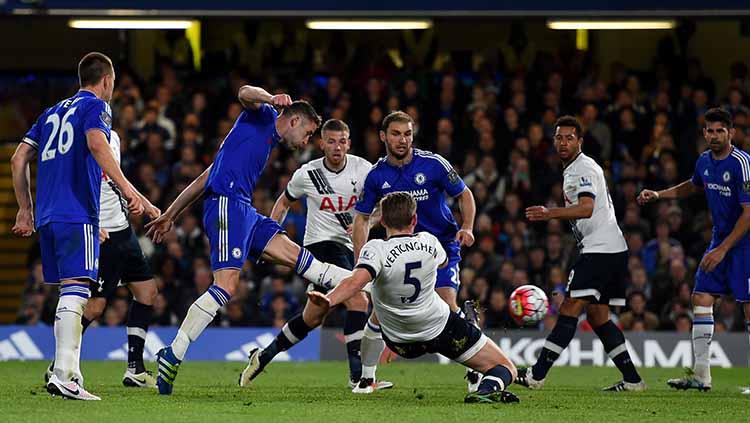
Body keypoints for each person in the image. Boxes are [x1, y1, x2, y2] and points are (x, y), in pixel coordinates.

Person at [145, 85, 353, 395]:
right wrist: (272, 98)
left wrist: (172, 213)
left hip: (243, 209)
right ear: (294, 120)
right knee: (227, 285)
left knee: (295, 255)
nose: (308, 141)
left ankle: (363, 281)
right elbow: (244, 92)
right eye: (308, 133)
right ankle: (173, 352)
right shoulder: (262, 115)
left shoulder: (263, 142)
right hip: (227, 204)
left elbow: (206, 176)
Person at [11, 52, 151, 400]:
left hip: (47, 215)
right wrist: (131, 191)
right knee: (77, 291)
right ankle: (66, 375)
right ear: (105, 80)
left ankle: (64, 371)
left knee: (70, 291)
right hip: (78, 213)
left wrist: (24, 210)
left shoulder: (50, 112)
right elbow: (96, 144)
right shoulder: (97, 108)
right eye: (113, 83)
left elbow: (18, 159)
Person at [311, 192, 519, 403]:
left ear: (382, 221)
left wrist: (328, 300)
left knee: (378, 310)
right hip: (440, 329)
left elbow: (354, 282)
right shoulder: (430, 242)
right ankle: (484, 389)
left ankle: (366, 379)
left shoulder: (375, 250)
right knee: (506, 368)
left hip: (398, 340)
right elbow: (444, 263)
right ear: (414, 220)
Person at [351, 111, 480, 392]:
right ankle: (367, 380)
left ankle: (475, 370)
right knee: (379, 311)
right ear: (383, 137)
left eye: (407, 134)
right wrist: (360, 261)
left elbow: (464, 194)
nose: (403, 140)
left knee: (448, 305)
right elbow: (361, 218)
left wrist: (467, 226)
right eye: (396, 134)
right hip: (398, 251)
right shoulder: (376, 176)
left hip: (440, 246)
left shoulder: (433, 165)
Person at [515, 115, 645, 392]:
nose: (563, 143)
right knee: (598, 317)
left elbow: (586, 207)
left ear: (580, 141)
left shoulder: (581, 169)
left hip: (601, 249)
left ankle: (536, 376)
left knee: (570, 307)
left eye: (569, 138)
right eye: (559, 138)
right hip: (612, 248)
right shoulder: (576, 168)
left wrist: (551, 214)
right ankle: (633, 380)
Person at [265, 118, 388, 388]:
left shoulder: (364, 170)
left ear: (349, 144)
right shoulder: (308, 174)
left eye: (342, 141)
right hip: (319, 246)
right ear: (321, 144)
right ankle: (359, 377)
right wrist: (272, 233)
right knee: (358, 300)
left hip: (347, 248)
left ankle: (263, 356)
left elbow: (382, 209)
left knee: (312, 317)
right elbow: (284, 201)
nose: (337, 147)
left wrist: (367, 221)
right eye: (331, 141)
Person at [638, 107, 750, 391]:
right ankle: (701, 375)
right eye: (710, 131)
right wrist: (659, 194)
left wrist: (723, 249)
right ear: (704, 133)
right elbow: (693, 185)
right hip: (720, 239)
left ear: (731, 133)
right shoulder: (704, 161)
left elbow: (749, 214)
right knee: (701, 297)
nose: (714, 136)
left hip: (744, 242)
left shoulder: (742, 163)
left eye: (720, 131)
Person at [43, 131, 159, 388]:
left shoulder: (113, 138)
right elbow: (73, 187)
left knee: (147, 292)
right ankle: (60, 362)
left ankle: (135, 369)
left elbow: (118, 178)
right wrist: (91, 225)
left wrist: (145, 203)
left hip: (123, 230)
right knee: (95, 307)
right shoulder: (81, 144)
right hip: (101, 233)